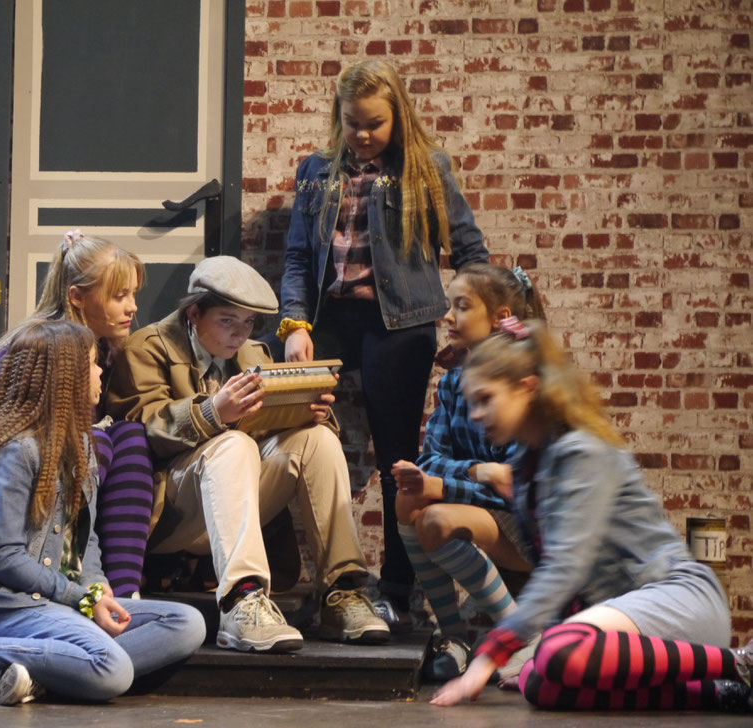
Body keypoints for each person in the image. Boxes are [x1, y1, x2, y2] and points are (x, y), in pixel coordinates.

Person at [429, 318, 752, 713]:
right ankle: (720, 694)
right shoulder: (528, 463)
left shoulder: (581, 451)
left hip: (677, 600)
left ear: (526, 388)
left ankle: (738, 663)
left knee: (555, 652)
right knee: (538, 683)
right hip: (619, 624)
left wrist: (487, 657)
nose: (476, 414)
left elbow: (564, 568)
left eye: (485, 399)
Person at [277, 59, 490, 629]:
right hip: (329, 321)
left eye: (374, 123)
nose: (364, 135)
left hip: (400, 326)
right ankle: (316, 581)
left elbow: (470, 251)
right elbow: (298, 258)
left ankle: (399, 586)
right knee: (302, 441)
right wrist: (295, 325)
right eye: (353, 124)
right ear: (338, 118)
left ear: (398, 114)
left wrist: (475, 330)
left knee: (399, 456)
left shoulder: (427, 170)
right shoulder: (316, 171)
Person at [0, 320, 206, 706]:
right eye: (92, 364)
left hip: (55, 601)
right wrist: (81, 598)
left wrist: (96, 587)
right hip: (4, 603)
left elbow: (84, 537)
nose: (100, 372)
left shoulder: (84, 448)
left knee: (187, 623)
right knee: (114, 670)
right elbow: (3, 557)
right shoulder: (17, 450)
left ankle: (42, 673)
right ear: (67, 378)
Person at [108, 255, 390, 653]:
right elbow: (140, 431)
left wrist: (309, 411)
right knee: (234, 443)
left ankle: (341, 593)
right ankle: (243, 601)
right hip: (170, 510)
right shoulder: (147, 348)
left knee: (319, 440)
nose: (239, 335)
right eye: (227, 320)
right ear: (193, 313)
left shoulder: (255, 355)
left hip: (235, 500)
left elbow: (275, 429)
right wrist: (212, 412)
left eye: (248, 323)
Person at [0, 230, 155, 611]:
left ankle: (124, 596)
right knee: (102, 439)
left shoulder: (106, 350)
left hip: (61, 492)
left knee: (131, 435)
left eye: (133, 294)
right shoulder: (29, 351)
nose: (132, 308)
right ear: (76, 296)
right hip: (12, 490)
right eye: (119, 295)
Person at [393, 264, 542, 682]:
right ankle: (454, 637)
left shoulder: (522, 383)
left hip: (530, 527)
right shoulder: (453, 381)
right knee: (408, 498)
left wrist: (443, 486)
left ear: (499, 316)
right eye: (449, 306)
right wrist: (481, 470)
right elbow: (431, 459)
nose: (448, 317)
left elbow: (517, 488)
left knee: (437, 517)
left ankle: (521, 634)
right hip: (486, 507)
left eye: (462, 306)